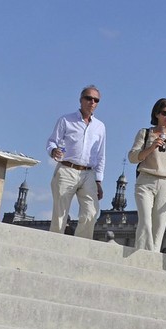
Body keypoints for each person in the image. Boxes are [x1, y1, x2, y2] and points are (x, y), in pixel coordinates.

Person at [46, 86, 106, 239]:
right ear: (81, 100)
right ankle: (54, 247)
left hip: (89, 173)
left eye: (96, 100)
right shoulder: (66, 120)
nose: (92, 102)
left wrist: (99, 180)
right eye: (88, 98)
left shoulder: (100, 127)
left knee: (91, 212)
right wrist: (53, 151)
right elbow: (52, 142)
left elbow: (100, 155)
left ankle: (80, 247)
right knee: (60, 214)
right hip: (67, 169)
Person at [128, 98, 166, 251]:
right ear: (157, 113)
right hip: (146, 181)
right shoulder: (145, 133)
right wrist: (151, 147)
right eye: (165, 113)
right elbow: (133, 157)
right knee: (145, 221)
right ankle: (141, 256)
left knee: (160, 225)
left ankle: (152, 258)